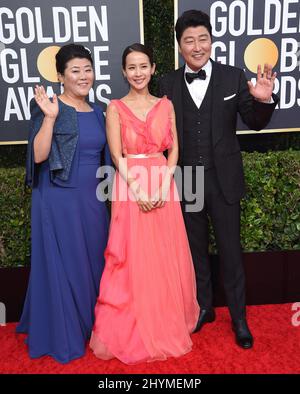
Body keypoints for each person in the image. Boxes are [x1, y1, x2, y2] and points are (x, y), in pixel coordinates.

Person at [158, 10, 278, 349]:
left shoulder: (232, 77)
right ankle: (203, 308)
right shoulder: (167, 83)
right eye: (189, 41)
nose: (197, 46)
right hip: (188, 179)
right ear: (179, 45)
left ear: (211, 40)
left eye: (203, 39)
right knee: (195, 251)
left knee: (230, 251)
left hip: (223, 178)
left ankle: (239, 318)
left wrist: (264, 99)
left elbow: (254, 123)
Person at [89, 43, 200, 364]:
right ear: (124, 72)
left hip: (163, 183)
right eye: (132, 67)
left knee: (164, 256)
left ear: (153, 69)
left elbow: (174, 150)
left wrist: (164, 184)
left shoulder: (165, 105)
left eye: (143, 66)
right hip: (130, 185)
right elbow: (115, 155)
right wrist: (138, 190)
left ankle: (164, 318)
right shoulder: (115, 107)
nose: (138, 73)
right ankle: (135, 324)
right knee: (133, 257)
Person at [17, 44, 111, 363]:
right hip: (58, 195)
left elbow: (107, 159)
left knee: (95, 260)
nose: (83, 76)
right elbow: (39, 155)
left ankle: (94, 325)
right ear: (60, 76)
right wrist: (49, 119)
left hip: (93, 198)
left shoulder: (99, 111)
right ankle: (66, 327)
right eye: (75, 71)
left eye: (87, 69)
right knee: (67, 262)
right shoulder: (49, 106)